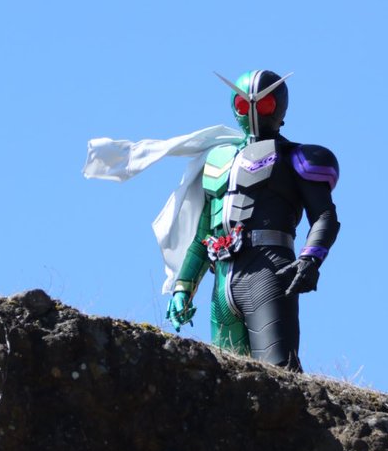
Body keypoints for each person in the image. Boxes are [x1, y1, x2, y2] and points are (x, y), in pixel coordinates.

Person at [83, 69, 339, 371]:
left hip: (269, 271)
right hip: (223, 279)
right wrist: (183, 287)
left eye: (264, 104)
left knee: (280, 370)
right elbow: (204, 233)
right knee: (228, 375)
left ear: (279, 107)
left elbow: (324, 216)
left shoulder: (299, 158)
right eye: (244, 105)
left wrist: (310, 259)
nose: (253, 112)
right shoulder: (219, 160)